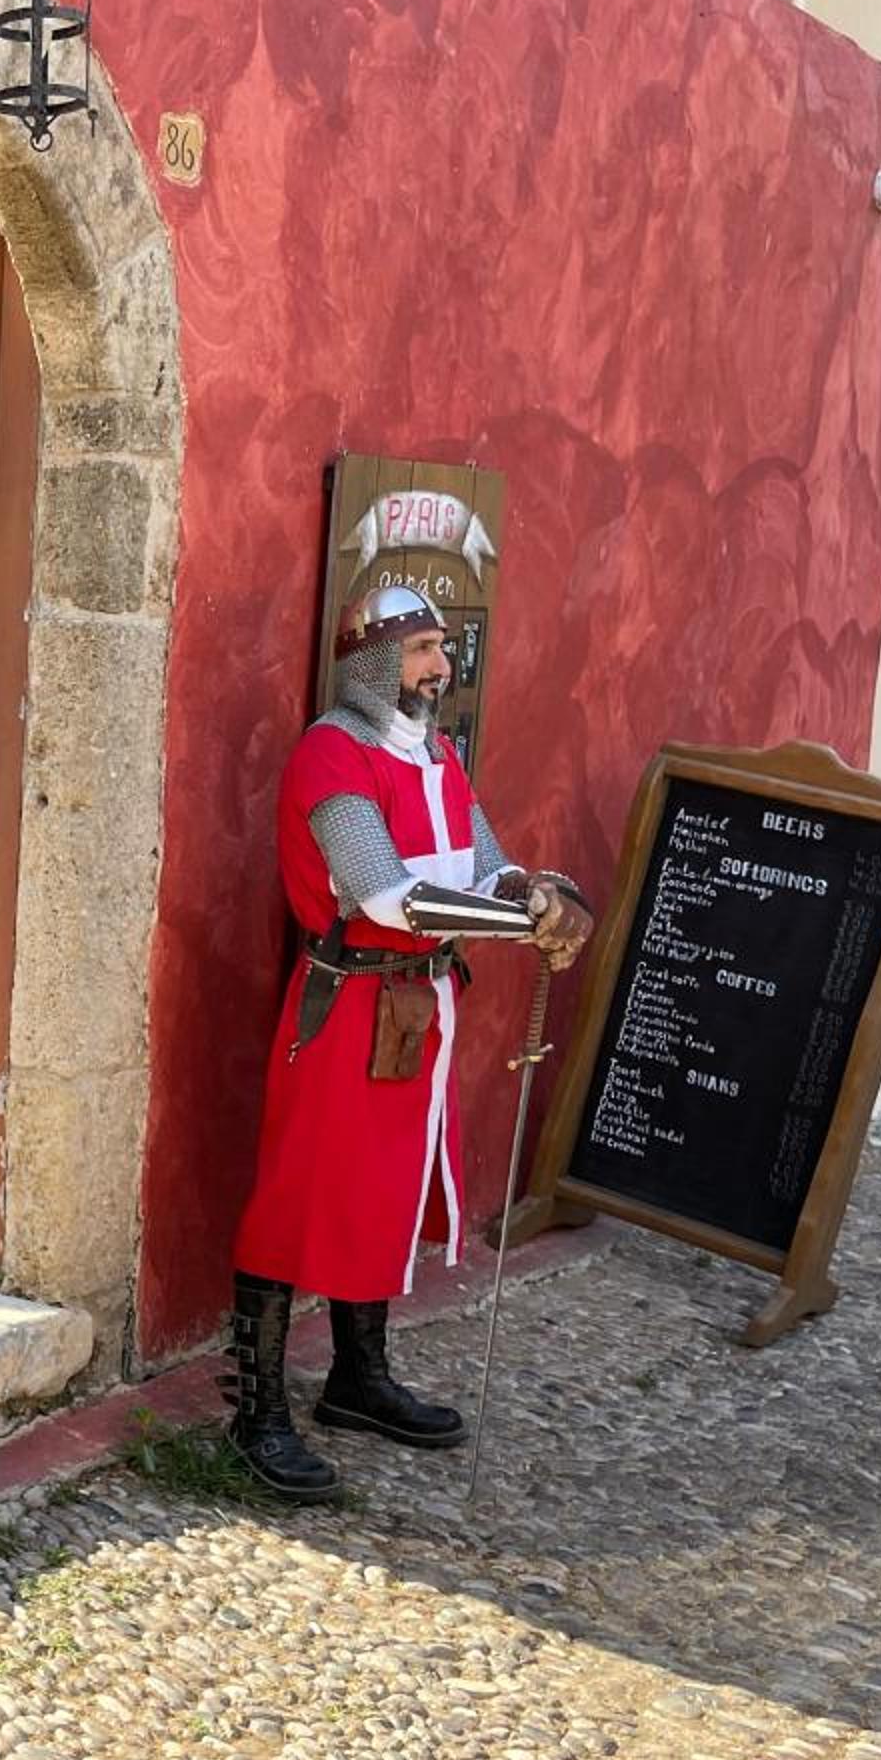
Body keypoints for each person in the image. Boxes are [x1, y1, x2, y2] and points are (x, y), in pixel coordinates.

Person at [222, 584, 595, 1502]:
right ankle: (257, 1412)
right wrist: (522, 927)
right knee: (299, 1195)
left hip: (419, 1007)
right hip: (345, 1006)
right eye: (422, 648)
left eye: (441, 647)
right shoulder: (331, 756)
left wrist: (535, 893)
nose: (439, 666)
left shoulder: (435, 756)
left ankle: (358, 1379)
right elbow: (393, 899)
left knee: (387, 1185)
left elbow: (484, 865)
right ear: (372, 659)